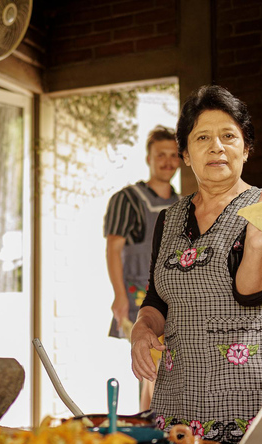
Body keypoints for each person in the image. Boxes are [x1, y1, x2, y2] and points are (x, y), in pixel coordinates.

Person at [129, 85, 262, 444]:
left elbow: (251, 294)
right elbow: (158, 297)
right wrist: (142, 329)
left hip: (253, 386)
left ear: (246, 148)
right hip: (183, 386)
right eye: (202, 137)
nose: (216, 146)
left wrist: (254, 247)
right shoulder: (168, 219)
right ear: (186, 153)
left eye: (228, 136)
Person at [104, 126, 180, 411]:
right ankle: (148, 422)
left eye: (174, 155)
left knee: (168, 365)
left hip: (173, 295)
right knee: (149, 363)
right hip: (139, 294)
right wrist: (119, 295)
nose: (167, 161)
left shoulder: (183, 204)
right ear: (148, 158)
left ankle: (156, 422)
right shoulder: (127, 199)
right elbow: (113, 248)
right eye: (161, 154)